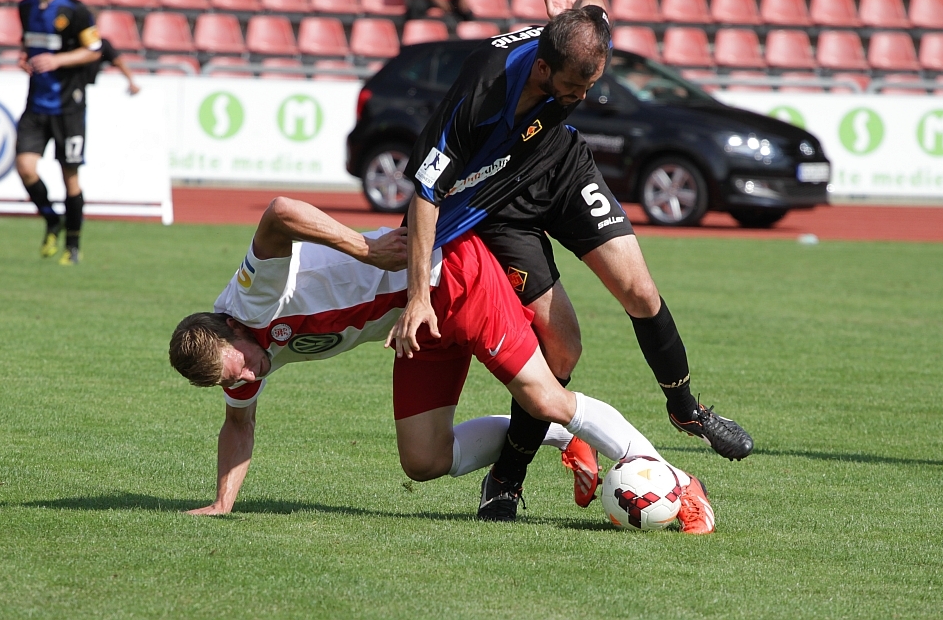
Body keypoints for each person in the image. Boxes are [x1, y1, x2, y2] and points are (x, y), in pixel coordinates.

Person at [389, 0, 752, 521]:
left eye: (589, 87)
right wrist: (418, 296)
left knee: (639, 290)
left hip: (563, 169)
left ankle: (686, 410)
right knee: (562, 348)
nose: (582, 98)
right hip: (498, 208)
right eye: (572, 89)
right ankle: (506, 477)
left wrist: (576, 12)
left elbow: (597, 8)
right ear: (541, 68)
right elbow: (425, 193)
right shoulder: (483, 92)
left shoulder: (574, 46)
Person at [169, 197, 715, 534]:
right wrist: (222, 504)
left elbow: (279, 212)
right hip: (416, 323)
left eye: (239, 367)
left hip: (451, 276)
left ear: (232, 326)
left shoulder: (250, 299)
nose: (248, 378)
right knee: (423, 459)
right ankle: (564, 438)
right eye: (233, 379)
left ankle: (680, 484)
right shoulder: (236, 358)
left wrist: (365, 248)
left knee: (545, 395)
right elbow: (237, 424)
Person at [16, 0, 102, 266]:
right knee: (25, 168)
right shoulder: (25, 7)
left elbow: (94, 50)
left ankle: (73, 246)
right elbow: (29, 42)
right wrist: (24, 57)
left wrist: (57, 60)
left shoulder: (76, 10)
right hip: (36, 105)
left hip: (68, 108)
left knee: (70, 178)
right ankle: (53, 220)